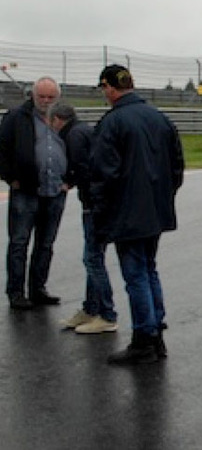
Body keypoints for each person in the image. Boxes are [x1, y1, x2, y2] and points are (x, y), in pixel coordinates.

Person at [90, 65, 184, 364]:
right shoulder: (160, 118)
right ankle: (155, 331)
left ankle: (144, 338)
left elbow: (104, 174)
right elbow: (176, 168)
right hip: (154, 210)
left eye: (103, 88)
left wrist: (100, 215)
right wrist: (162, 197)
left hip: (127, 212)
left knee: (135, 275)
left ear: (110, 87)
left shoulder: (113, 121)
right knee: (149, 269)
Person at [49, 102, 118, 334]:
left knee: (92, 258)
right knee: (93, 257)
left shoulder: (74, 136)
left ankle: (107, 314)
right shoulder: (84, 130)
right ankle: (91, 308)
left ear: (57, 119)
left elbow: (83, 167)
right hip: (99, 202)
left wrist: (69, 181)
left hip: (95, 204)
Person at [0, 77, 66, 310]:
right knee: (19, 242)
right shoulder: (17, 117)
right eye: (42, 96)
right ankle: (16, 292)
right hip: (26, 191)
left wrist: (71, 179)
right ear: (33, 95)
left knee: (46, 243)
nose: (46, 101)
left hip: (55, 190)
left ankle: (38, 288)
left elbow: (79, 145)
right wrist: (11, 178)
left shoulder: (64, 118)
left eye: (51, 97)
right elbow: (2, 149)